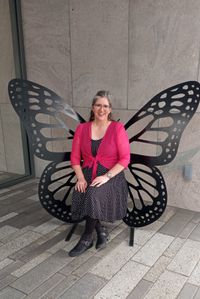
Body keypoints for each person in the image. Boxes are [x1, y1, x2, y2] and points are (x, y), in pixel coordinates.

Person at [69, 90, 130, 257]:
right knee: (84, 190)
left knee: (93, 194)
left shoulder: (117, 128)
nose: (101, 109)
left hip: (111, 176)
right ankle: (101, 231)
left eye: (105, 106)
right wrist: (80, 178)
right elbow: (74, 158)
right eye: (98, 105)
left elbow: (125, 159)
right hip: (87, 173)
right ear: (92, 108)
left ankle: (86, 238)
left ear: (110, 109)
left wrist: (106, 177)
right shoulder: (82, 129)